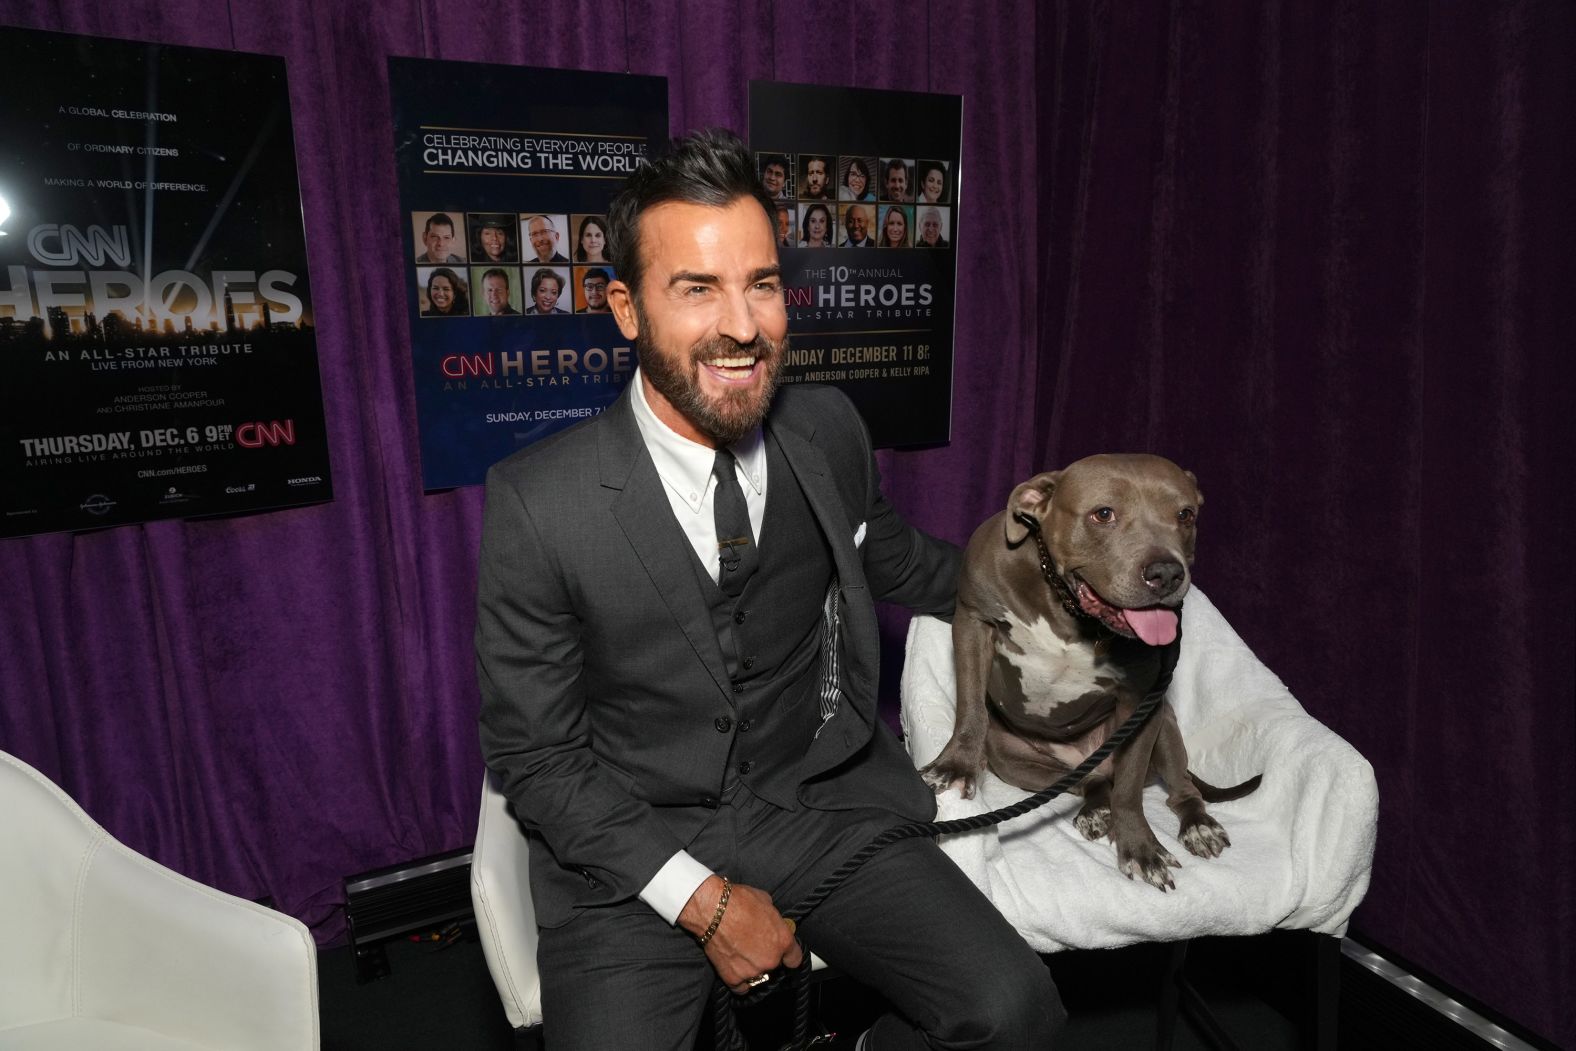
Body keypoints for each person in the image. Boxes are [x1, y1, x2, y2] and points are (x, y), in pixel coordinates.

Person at [476, 128, 1061, 1051]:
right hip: (636, 852)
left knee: (1013, 1012)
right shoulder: (539, 503)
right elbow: (541, 760)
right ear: (626, 309)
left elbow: (899, 561)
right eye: (697, 289)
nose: (743, 326)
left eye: (761, 283)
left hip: (814, 807)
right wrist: (703, 903)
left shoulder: (824, 427)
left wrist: (1056, 594)